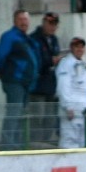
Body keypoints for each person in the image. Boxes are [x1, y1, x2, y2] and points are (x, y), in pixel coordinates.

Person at [0, 10, 40, 150]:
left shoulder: (26, 38)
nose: (24, 22)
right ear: (14, 21)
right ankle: (8, 145)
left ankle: (18, 143)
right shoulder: (10, 37)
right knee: (14, 112)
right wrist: (6, 72)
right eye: (21, 19)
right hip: (14, 81)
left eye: (26, 19)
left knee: (21, 114)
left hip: (26, 82)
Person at [56, 37, 86, 149]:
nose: (80, 49)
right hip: (71, 112)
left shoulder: (84, 65)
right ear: (71, 48)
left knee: (82, 145)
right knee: (69, 144)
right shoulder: (66, 63)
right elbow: (63, 86)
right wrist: (68, 107)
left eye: (82, 47)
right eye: (77, 46)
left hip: (84, 113)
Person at [29, 12, 61, 143]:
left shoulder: (54, 40)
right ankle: (34, 143)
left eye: (55, 24)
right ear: (44, 23)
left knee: (50, 117)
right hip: (37, 86)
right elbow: (34, 62)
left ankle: (44, 142)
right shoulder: (33, 39)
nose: (52, 27)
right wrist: (50, 61)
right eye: (50, 24)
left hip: (51, 85)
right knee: (37, 117)